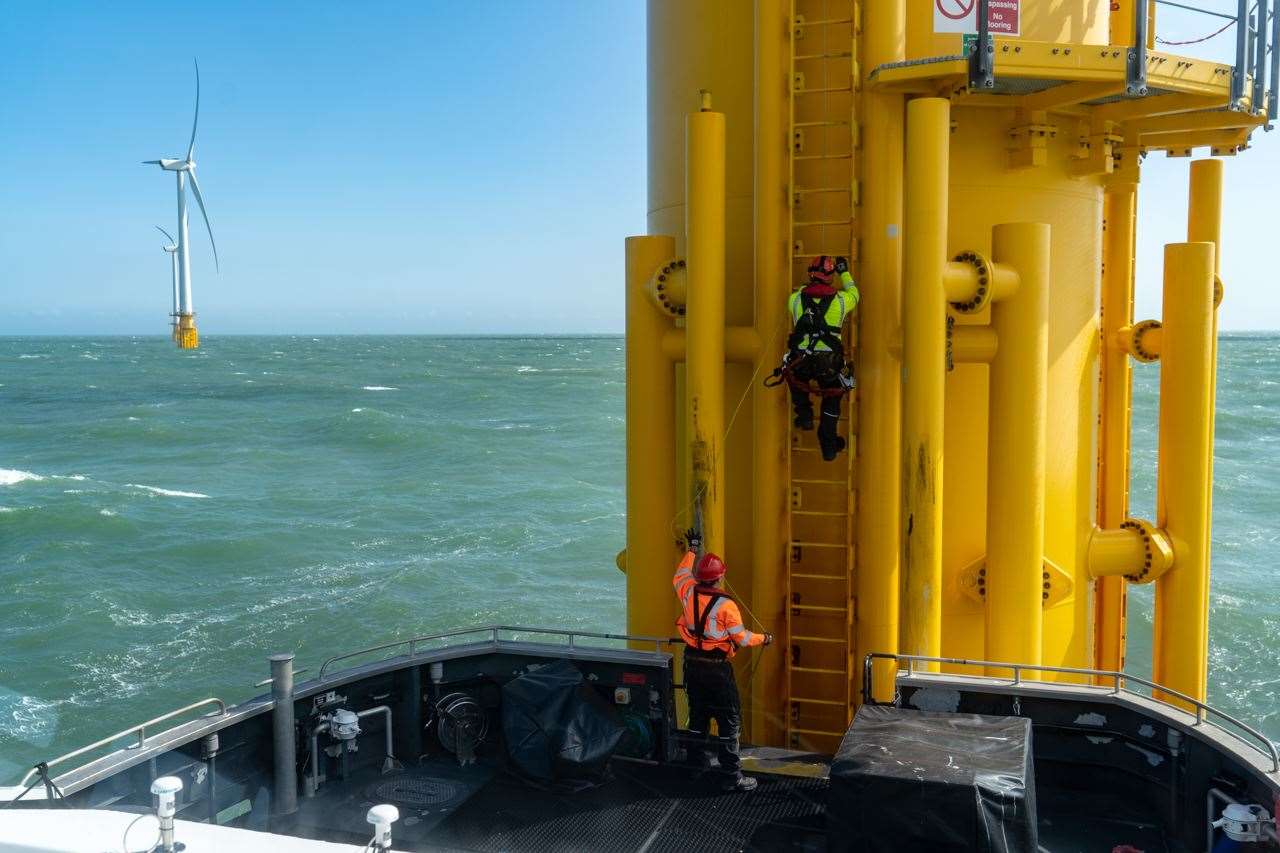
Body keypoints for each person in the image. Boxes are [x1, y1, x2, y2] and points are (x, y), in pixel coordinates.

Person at [673, 527, 773, 792]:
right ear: (720, 577)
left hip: (692, 664)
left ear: (700, 577)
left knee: (698, 716)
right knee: (730, 721)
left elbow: (680, 573)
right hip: (717, 669)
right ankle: (732, 776)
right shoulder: (726, 605)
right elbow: (741, 638)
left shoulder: (686, 591)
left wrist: (692, 549)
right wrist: (764, 639)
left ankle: (695, 767)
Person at [785, 254, 859, 461]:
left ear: (811, 273)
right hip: (829, 364)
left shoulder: (795, 299)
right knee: (832, 398)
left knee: (793, 374)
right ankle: (828, 445)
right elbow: (855, 293)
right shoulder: (842, 301)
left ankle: (804, 414)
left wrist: (802, 289)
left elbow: (796, 297)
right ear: (831, 277)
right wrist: (844, 271)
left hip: (801, 360)